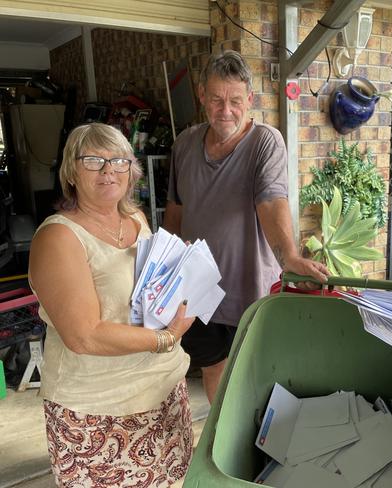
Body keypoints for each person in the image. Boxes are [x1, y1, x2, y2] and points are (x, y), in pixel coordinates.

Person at [29, 123, 196, 487]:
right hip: (98, 410)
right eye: (94, 160)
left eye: (119, 160)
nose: (109, 170)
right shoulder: (59, 236)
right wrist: (167, 338)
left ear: (131, 170)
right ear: (72, 171)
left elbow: (148, 291)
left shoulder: (134, 218)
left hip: (161, 393)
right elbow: (84, 336)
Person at [164, 50, 329, 403]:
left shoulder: (265, 142)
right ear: (202, 96)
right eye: (217, 99)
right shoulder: (184, 145)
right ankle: (225, 447)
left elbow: (271, 201)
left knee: (258, 375)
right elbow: (176, 211)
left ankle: (256, 449)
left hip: (249, 287)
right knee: (214, 370)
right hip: (198, 288)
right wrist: (164, 270)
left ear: (249, 100)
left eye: (235, 101)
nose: (226, 110)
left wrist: (289, 257)